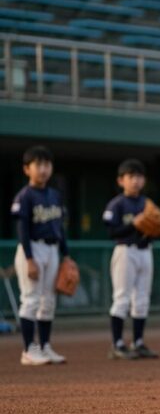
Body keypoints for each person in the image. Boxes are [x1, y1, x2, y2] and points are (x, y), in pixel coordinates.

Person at [10, 145, 72, 366]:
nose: (43, 169)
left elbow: (60, 227)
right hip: (32, 249)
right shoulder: (25, 196)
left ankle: (45, 347)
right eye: (38, 165)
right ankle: (29, 349)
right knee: (31, 299)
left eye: (47, 164)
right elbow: (22, 229)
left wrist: (66, 255)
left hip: (52, 249)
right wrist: (29, 259)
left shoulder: (54, 195)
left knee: (48, 301)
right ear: (27, 169)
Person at [102, 159, 160, 359]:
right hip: (125, 251)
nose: (135, 181)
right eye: (131, 177)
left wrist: (155, 229)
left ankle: (138, 342)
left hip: (145, 251)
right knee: (122, 298)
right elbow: (111, 231)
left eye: (139, 177)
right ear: (121, 180)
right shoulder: (117, 204)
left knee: (142, 299)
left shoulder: (147, 203)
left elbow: (157, 229)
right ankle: (117, 343)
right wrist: (134, 224)